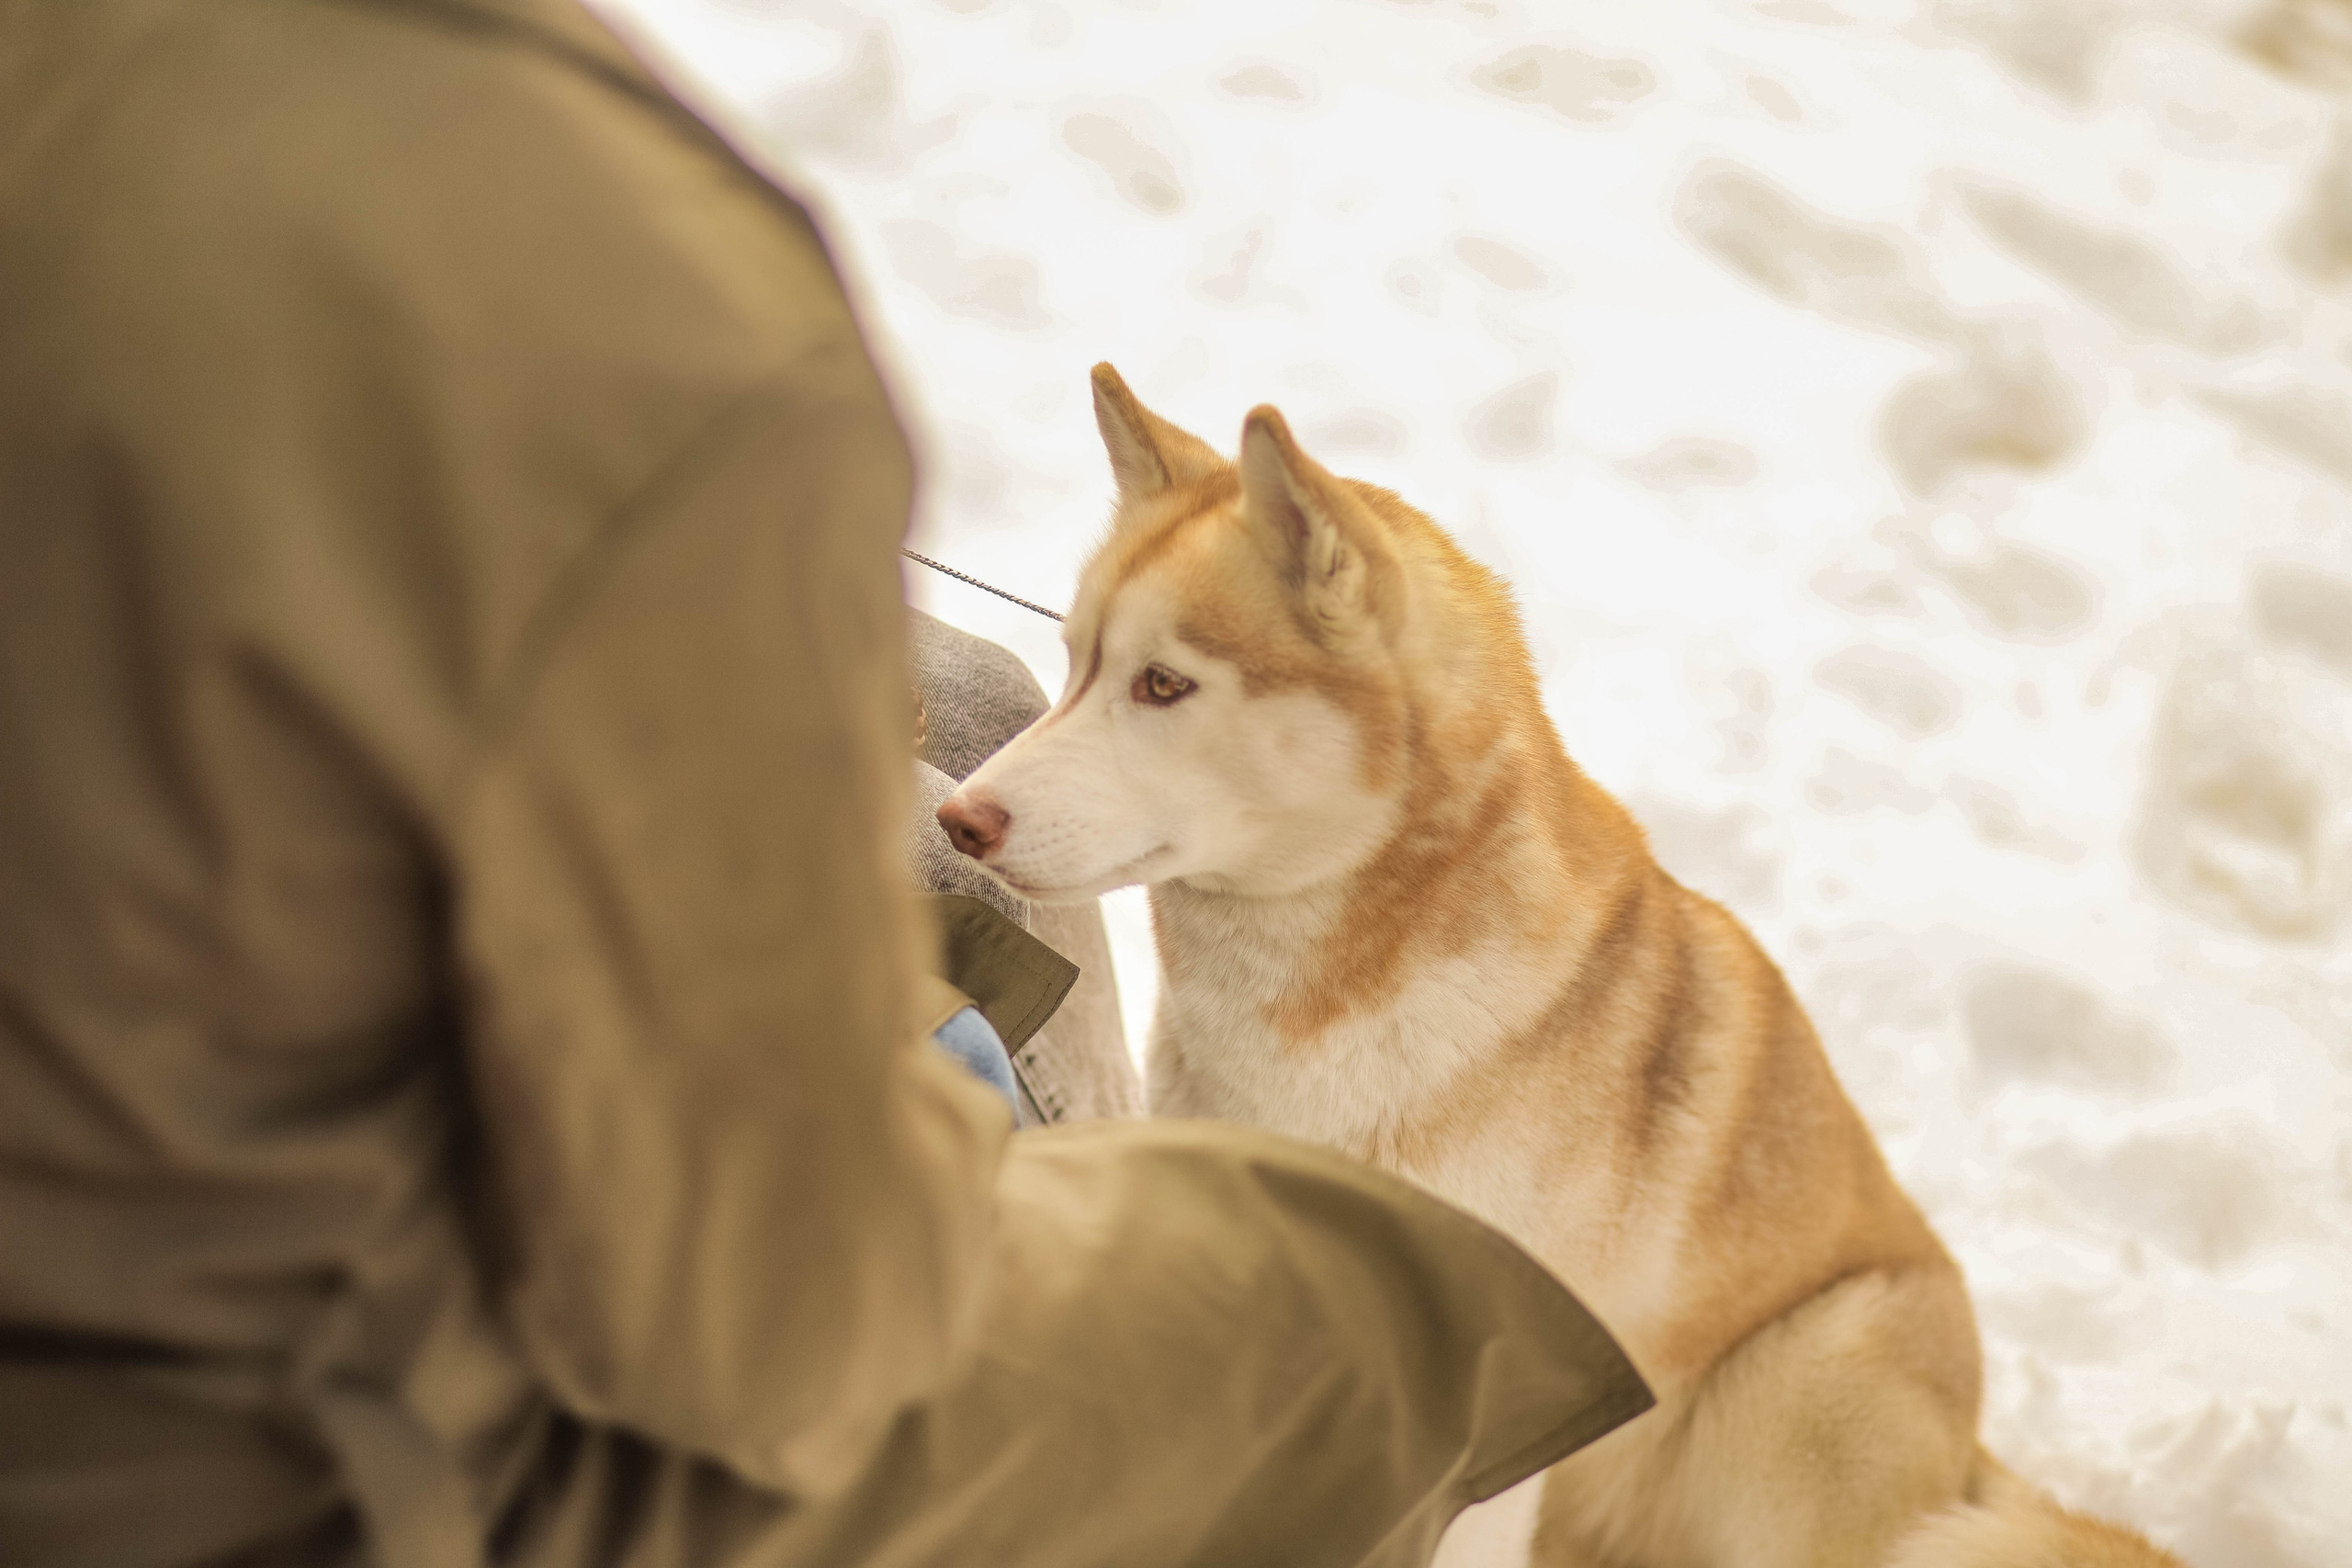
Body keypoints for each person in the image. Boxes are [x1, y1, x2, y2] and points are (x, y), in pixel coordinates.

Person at [0, 3, 1653, 1565]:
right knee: (1347, 1309)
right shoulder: (605, 276)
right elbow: (759, 1327)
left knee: (970, 695)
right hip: (237, 1445)